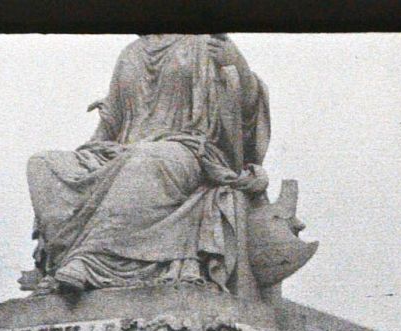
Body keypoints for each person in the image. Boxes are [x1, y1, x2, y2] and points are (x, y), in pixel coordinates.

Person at [27, 33, 271, 294]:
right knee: (43, 163)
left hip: (187, 150)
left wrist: (238, 67)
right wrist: (89, 153)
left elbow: (244, 112)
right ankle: (62, 262)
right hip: (124, 150)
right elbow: (111, 121)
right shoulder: (130, 53)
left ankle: (89, 261)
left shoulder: (204, 43)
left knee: (146, 159)